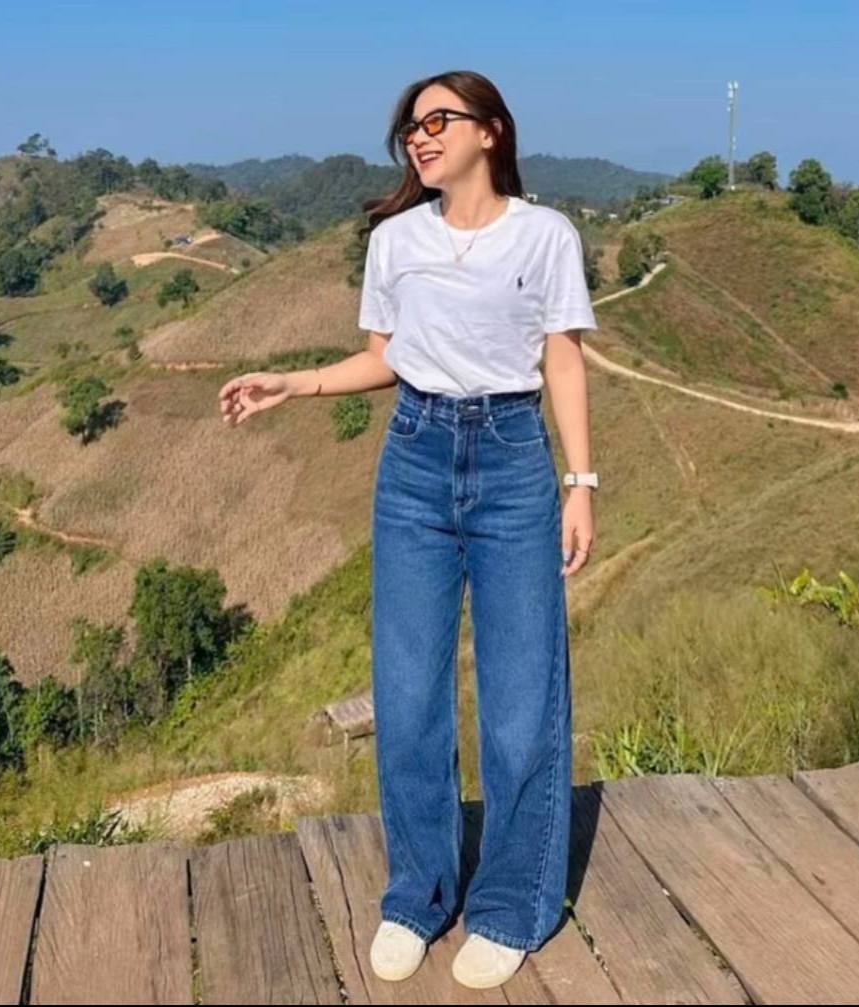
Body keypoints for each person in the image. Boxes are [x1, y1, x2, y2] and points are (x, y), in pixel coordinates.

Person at [217, 69, 600, 990]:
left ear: (490, 130)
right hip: (415, 459)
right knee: (408, 689)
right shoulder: (395, 240)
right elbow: (383, 361)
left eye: (437, 120)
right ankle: (417, 893)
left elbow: (561, 359)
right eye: (409, 128)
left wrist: (580, 483)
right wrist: (294, 383)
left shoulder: (545, 235)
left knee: (522, 696)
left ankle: (510, 904)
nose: (419, 137)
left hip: (512, 457)